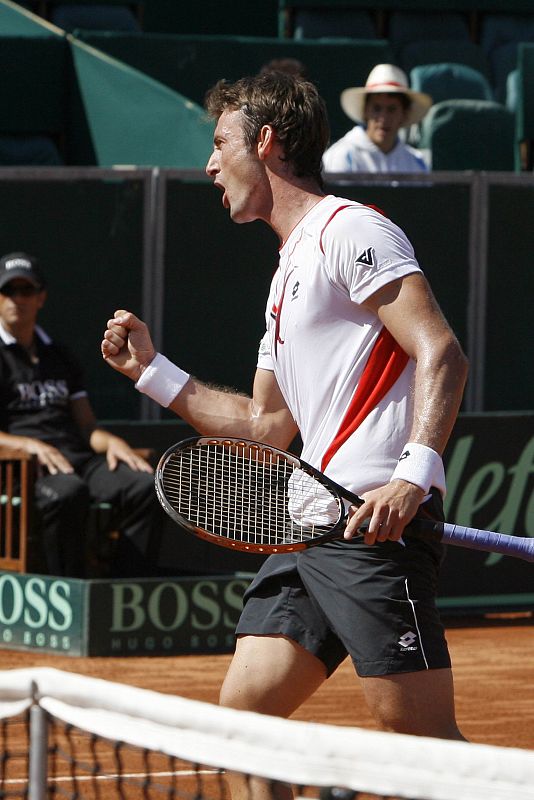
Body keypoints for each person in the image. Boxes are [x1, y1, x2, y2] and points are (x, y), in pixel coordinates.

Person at [101, 72, 468, 741]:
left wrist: (412, 476)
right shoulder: (284, 278)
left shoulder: (350, 231)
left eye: (220, 143)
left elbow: (441, 352)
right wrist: (150, 371)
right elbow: (265, 428)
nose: (210, 164)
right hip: (310, 527)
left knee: (426, 747)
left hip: (372, 529)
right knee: (244, 721)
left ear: (266, 142)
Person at [0, 251, 164, 578]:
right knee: (67, 492)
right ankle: (69, 593)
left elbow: (87, 425)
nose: (18, 299)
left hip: (77, 458)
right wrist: (30, 446)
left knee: (146, 486)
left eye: (26, 291)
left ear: (41, 297)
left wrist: (111, 442)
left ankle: (122, 590)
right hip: (26, 470)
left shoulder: (59, 355)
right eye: (8, 291)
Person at [322, 63, 432, 173]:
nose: (383, 118)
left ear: (404, 114)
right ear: (365, 111)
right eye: (377, 108)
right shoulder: (341, 155)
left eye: (392, 109)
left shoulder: (415, 162)